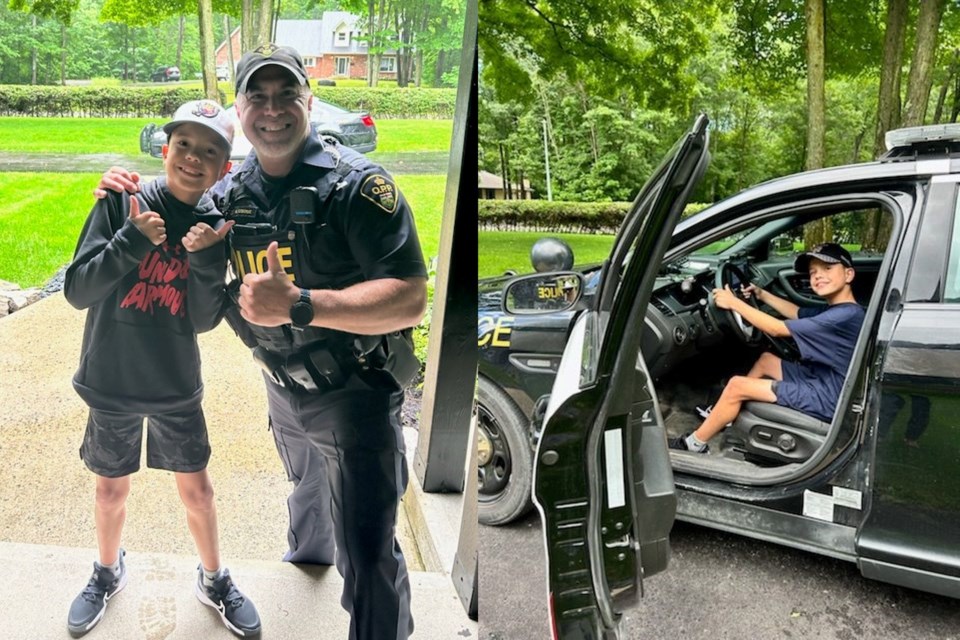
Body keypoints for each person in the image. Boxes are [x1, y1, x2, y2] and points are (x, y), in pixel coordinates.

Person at [96, 44, 427, 640]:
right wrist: (127, 187)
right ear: (241, 107)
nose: (272, 109)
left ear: (309, 99)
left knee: (369, 552)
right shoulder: (236, 189)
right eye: (257, 95)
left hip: (353, 393)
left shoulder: (357, 187)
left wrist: (303, 303)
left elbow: (410, 296)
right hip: (281, 386)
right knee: (305, 493)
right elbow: (180, 206)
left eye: (286, 94)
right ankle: (307, 567)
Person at [65, 100, 261, 637]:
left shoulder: (214, 225)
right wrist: (130, 240)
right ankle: (106, 570)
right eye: (184, 145)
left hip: (175, 383)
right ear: (164, 148)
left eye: (210, 151)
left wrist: (204, 258)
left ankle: (215, 578)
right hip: (113, 378)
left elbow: (201, 320)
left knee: (198, 491)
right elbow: (78, 291)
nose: (193, 159)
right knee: (110, 490)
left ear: (225, 166)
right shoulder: (121, 201)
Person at [669, 242, 866, 454]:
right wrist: (762, 295)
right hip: (823, 379)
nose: (817, 276)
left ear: (848, 274)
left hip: (827, 396)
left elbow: (776, 328)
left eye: (827, 269)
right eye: (813, 272)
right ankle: (724, 414)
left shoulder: (843, 316)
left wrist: (734, 303)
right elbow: (796, 312)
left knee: (737, 385)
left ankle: (694, 444)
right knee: (766, 360)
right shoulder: (841, 310)